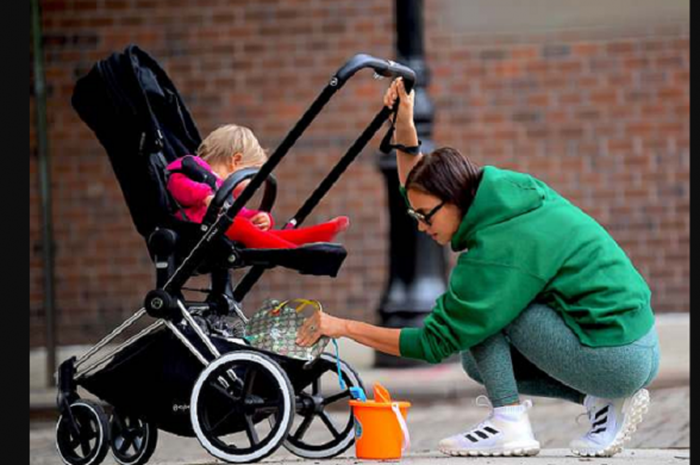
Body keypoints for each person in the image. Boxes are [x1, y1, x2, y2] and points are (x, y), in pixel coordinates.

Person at [296, 79, 659, 458]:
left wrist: (344, 327)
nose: (420, 226)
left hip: (616, 358)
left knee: (480, 317)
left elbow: (434, 343)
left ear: (452, 199)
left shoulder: (495, 253)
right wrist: (403, 123)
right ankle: (597, 401)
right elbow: (416, 185)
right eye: (414, 215)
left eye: (424, 216)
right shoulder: (500, 194)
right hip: (635, 343)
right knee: (477, 357)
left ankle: (509, 424)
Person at [166, 124, 349, 249]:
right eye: (252, 177)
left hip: (217, 229)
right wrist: (205, 196)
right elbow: (177, 184)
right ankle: (291, 252)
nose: (255, 185)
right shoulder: (194, 168)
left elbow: (241, 213)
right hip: (194, 230)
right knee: (240, 226)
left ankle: (313, 237)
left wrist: (261, 217)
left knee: (255, 228)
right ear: (235, 161)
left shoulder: (224, 191)